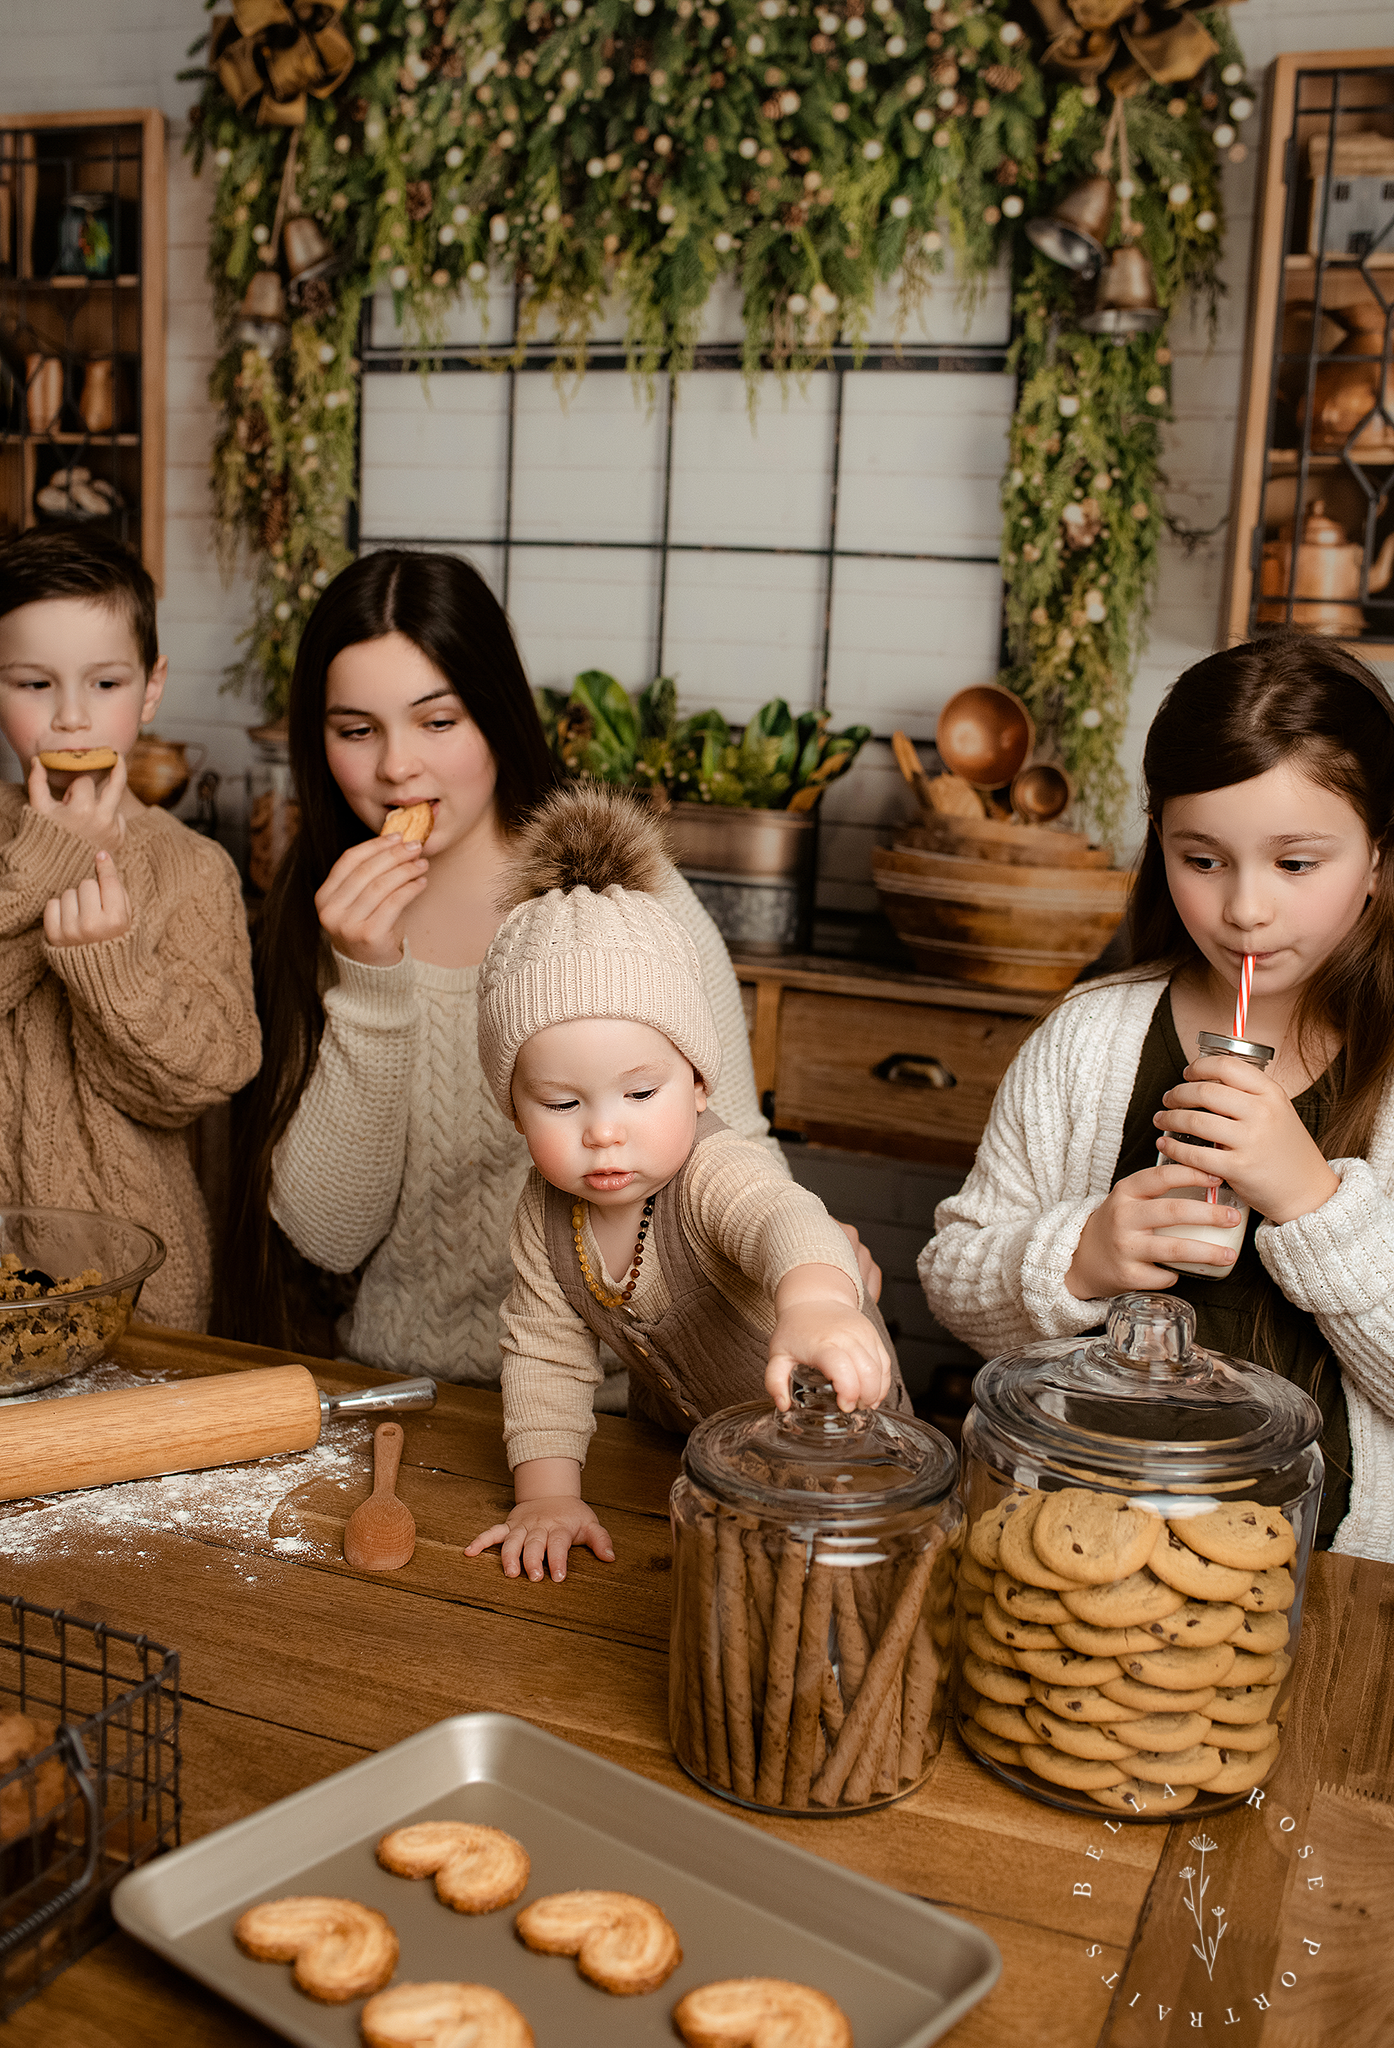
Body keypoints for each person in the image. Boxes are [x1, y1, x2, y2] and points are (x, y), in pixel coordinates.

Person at [228, 549, 878, 1373]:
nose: (396, 766)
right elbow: (328, 1236)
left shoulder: (623, 896)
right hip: (406, 1385)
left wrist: (804, 1263)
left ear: (497, 714)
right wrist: (370, 982)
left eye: (438, 722)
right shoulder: (319, 915)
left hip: (625, 1397)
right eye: (357, 731)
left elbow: (733, 1145)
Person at [918, 635, 1394, 1566]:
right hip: (1078, 1539)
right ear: (1160, 844)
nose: (1245, 909)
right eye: (1203, 859)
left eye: (1296, 864)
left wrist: (1310, 1201)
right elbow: (951, 1279)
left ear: (1379, 856)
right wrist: (1081, 1258)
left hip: (1339, 1573)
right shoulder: (1087, 1039)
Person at [466, 782, 906, 1583]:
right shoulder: (544, 1211)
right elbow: (544, 1356)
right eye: (561, 1103)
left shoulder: (710, 1170)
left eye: (640, 1093)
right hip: (690, 1458)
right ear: (514, 1109)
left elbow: (784, 1218)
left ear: (699, 1084)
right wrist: (547, 1497)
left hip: (838, 1458)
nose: (604, 1130)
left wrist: (814, 1305)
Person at [0, 529, 260, 1329]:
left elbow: (199, 1082)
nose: (72, 717)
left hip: (138, 1290)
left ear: (151, 689)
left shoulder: (194, 868)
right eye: (34, 683)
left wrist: (111, 974)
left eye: (105, 682)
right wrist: (46, 866)